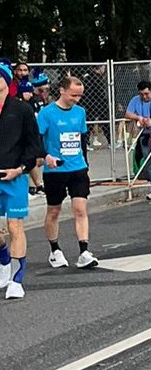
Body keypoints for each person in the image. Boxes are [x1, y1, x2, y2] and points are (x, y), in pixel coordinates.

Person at [37, 73, 100, 269]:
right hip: (55, 170)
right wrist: (46, 156)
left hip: (78, 168)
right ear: (62, 90)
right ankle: (55, 249)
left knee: (80, 208)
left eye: (79, 96)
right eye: (73, 95)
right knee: (54, 210)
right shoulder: (47, 113)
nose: (76, 99)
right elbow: (36, 140)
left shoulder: (80, 112)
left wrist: (86, 165)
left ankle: (84, 251)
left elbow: (82, 139)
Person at [0, 63, 45, 297]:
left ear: (7, 81)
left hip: (14, 177)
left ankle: (17, 279)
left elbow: (34, 144)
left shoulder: (21, 109)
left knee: (14, 225)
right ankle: (4, 259)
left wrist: (21, 169)